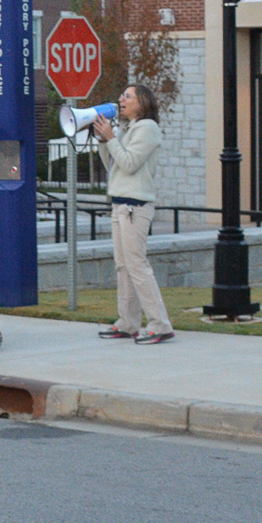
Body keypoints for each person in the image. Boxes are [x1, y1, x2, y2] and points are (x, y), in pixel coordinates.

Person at [93, 84, 172, 345]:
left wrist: (112, 139)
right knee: (123, 266)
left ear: (143, 102)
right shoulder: (127, 129)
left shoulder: (147, 128)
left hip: (135, 206)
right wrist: (105, 141)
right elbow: (114, 166)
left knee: (137, 265)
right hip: (120, 204)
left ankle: (160, 324)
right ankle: (128, 322)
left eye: (127, 96)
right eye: (122, 94)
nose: (121, 99)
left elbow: (129, 164)